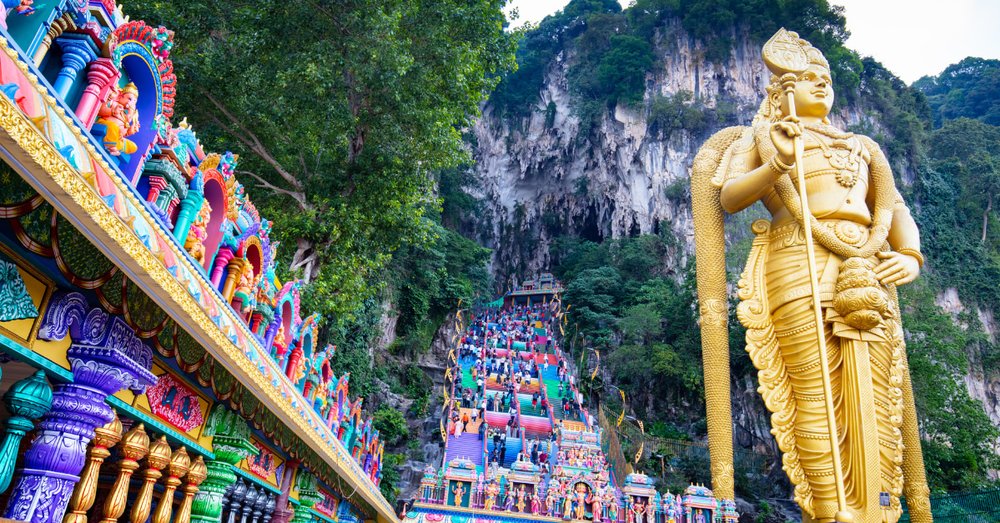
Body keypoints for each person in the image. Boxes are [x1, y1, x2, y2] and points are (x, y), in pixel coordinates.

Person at [694, 29, 930, 523]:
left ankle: (878, 510)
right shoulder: (763, 137)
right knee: (815, 400)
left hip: (867, 266)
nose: (821, 85)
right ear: (781, 92)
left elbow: (894, 208)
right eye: (806, 79)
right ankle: (829, 512)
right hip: (796, 262)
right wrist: (775, 162)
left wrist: (909, 255)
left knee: (877, 389)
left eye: (825, 78)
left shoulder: (863, 148)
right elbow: (730, 196)